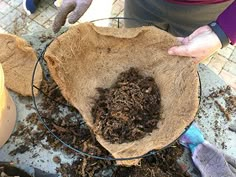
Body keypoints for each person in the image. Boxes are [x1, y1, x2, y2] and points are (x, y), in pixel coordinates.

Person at [23, 0, 236, 64]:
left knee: (180, 60)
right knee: (133, 45)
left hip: (210, 12)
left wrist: (225, 29)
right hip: (143, 2)